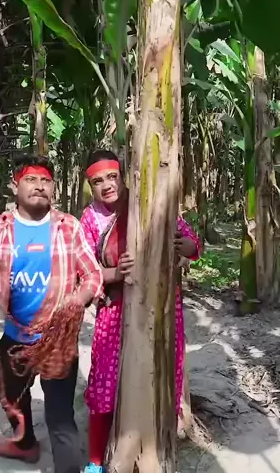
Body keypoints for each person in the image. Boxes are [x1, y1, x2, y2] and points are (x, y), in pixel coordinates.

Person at [0, 157, 103, 473]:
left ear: (53, 187)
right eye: (30, 179)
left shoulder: (68, 227)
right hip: (15, 339)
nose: (40, 186)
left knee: (59, 417)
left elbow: (93, 275)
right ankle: (25, 445)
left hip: (58, 343)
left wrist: (77, 300)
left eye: (45, 180)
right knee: (12, 397)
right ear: (15, 186)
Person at [79, 149, 201, 473]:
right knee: (105, 386)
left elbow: (192, 243)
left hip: (161, 307)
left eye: (112, 176)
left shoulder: (145, 203)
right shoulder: (90, 219)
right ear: (90, 186)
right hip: (114, 311)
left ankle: (157, 448)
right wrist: (115, 273)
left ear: (122, 175)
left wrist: (185, 246)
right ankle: (95, 462)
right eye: (98, 181)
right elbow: (84, 270)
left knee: (158, 377)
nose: (107, 185)